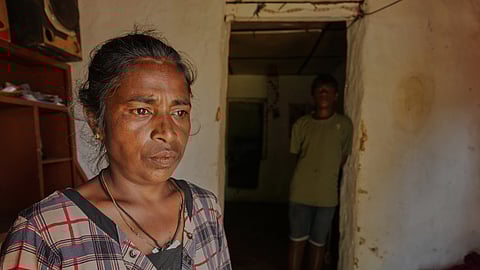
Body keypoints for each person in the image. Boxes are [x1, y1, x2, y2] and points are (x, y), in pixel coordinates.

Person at [0, 31, 231, 270]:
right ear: (96, 121)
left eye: (179, 113)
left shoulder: (206, 208)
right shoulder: (44, 232)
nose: (168, 132)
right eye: (142, 110)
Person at [288, 74, 353, 270]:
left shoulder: (344, 126)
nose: (323, 93)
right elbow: (297, 157)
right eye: (319, 89)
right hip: (300, 194)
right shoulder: (301, 125)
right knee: (297, 241)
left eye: (328, 89)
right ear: (313, 95)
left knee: (318, 243)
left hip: (327, 197)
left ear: (336, 95)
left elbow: (342, 158)